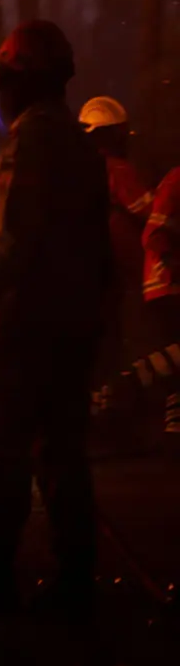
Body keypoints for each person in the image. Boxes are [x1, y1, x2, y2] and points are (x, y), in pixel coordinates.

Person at [0, 21, 112, 616]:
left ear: (21, 82)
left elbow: (16, 237)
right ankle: (75, 583)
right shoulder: (79, 142)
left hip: (30, 322)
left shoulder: (30, 138)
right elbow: (98, 246)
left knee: (4, 449)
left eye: (4, 80)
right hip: (73, 323)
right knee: (62, 454)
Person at [79, 97, 153, 435]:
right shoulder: (117, 171)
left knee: (94, 345)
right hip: (117, 273)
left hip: (85, 271)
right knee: (118, 342)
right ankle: (112, 412)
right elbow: (151, 212)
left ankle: (94, 410)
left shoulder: (75, 169)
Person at [137, 168, 180, 454]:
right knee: (173, 359)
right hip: (168, 286)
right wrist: (172, 263)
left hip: (166, 285)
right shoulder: (177, 179)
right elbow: (153, 232)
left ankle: (174, 428)